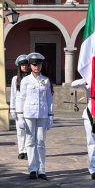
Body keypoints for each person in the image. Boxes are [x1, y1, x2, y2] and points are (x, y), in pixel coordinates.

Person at [16, 52, 54, 180]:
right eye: (34, 64)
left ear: (42, 65)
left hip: (42, 114)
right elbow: (22, 98)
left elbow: (49, 98)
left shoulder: (45, 80)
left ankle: (42, 169)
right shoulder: (26, 80)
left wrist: (50, 115)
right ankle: (32, 168)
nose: (36, 67)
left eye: (38, 64)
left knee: (41, 141)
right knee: (30, 141)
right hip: (29, 114)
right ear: (30, 66)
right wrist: (20, 116)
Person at [9, 54, 30, 160]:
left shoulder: (31, 78)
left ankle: (27, 150)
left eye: (26, 65)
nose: (24, 67)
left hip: (29, 107)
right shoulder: (15, 79)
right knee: (20, 130)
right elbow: (13, 94)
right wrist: (12, 108)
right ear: (19, 67)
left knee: (28, 130)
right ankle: (21, 150)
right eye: (22, 65)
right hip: (19, 107)